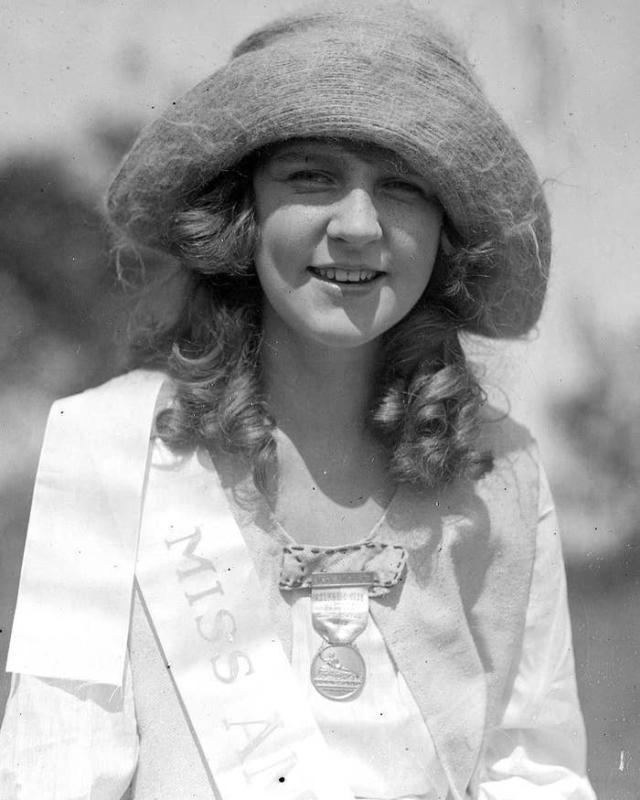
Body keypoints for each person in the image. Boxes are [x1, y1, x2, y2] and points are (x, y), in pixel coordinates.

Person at [0, 3, 596, 799]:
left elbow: (534, 773)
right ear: (241, 214)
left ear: (446, 231)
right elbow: (52, 771)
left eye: (403, 188)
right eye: (311, 175)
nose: (357, 226)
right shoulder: (106, 449)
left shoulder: (501, 476)